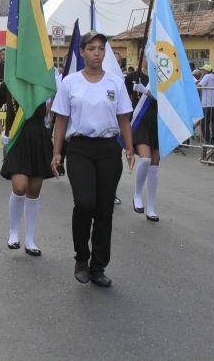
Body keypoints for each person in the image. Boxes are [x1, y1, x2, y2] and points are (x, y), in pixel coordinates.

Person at [51, 31, 135, 288]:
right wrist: (56, 152)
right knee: (85, 203)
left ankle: (98, 266)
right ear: (82, 52)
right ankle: (81, 257)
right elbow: (61, 119)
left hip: (108, 149)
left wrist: (129, 148)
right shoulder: (70, 83)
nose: (97, 53)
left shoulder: (115, 82)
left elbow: (123, 118)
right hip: (79, 149)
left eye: (101, 48)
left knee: (104, 210)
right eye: (92, 48)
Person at [0, 82, 53, 256]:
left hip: (38, 138)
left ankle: (30, 240)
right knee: (20, 187)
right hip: (17, 138)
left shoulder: (40, 81)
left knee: (34, 190)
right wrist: (2, 131)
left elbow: (54, 105)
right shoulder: (8, 84)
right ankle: (14, 232)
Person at [127, 59, 162, 221]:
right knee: (146, 159)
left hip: (157, 122)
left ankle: (152, 207)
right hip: (140, 122)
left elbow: (167, 99)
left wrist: (146, 91)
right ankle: (138, 194)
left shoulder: (162, 78)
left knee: (155, 163)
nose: (150, 59)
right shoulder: (134, 76)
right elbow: (124, 98)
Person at [197, 64, 214, 144]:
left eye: (203, 70)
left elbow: (199, 86)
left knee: (204, 123)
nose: (202, 71)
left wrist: (193, 86)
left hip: (207, 104)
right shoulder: (213, 76)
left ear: (206, 71)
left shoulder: (206, 76)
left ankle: (207, 139)